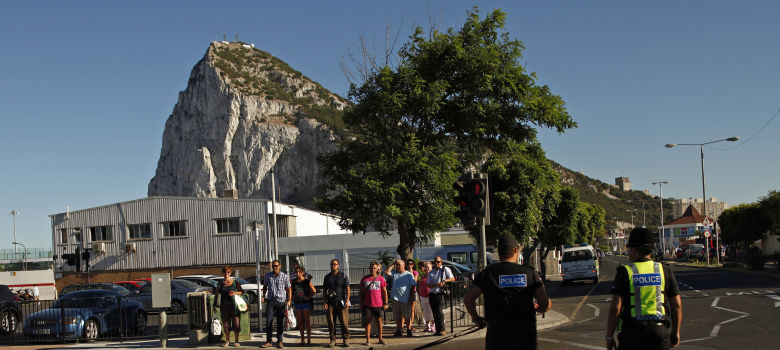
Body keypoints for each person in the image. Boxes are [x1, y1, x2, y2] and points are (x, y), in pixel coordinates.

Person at [465, 235, 551, 349]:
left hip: (497, 337)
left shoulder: (487, 274)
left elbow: (468, 299)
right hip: (524, 337)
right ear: (516, 250)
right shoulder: (529, 273)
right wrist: (537, 308)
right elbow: (545, 303)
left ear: (499, 252)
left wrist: (477, 319)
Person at [606, 227, 683, 350]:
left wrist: (609, 336)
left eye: (629, 248)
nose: (629, 251)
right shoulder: (664, 270)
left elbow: (616, 307)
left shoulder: (626, 272)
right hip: (659, 334)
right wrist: (675, 332)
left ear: (635, 249)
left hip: (632, 335)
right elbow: (676, 305)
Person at [261, 260, 291, 349]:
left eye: (276, 266)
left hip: (281, 302)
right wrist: (263, 296)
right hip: (271, 301)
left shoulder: (284, 276)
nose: (275, 267)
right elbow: (265, 286)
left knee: (279, 322)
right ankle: (269, 341)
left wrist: (289, 300)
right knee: (268, 321)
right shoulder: (267, 276)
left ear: (280, 266)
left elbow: (289, 289)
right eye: (273, 266)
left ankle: (280, 341)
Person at [385, 258, 417, 337]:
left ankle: (409, 330)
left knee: (407, 316)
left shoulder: (408, 274)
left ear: (404, 265)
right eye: (397, 265)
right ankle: (399, 330)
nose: (398, 266)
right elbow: (386, 271)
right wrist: (393, 263)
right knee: (397, 317)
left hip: (405, 299)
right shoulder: (394, 273)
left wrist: (411, 297)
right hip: (395, 299)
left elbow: (413, 286)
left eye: (399, 265)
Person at [360, 262, 388, 346]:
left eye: (374, 268)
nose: (372, 269)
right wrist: (361, 303)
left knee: (379, 322)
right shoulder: (364, 279)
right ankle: (368, 340)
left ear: (377, 269)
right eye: (371, 268)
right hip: (367, 305)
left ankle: (380, 339)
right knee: (368, 322)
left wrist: (385, 303)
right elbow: (361, 293)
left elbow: (384, 292)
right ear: (369, 268)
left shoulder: (381, 279)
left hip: (378, 304)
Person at [323, 258, 350, 347]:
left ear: (338, 265)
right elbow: (324, 290)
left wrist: (347, 300)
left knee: (344, 322)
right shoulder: (327, 277)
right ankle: (332, 340)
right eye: (331, 264)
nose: (333, 265)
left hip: (341, 302)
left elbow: (348, 288)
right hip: (330, 303)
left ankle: (345, 339)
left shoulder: (343, 275)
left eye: (335, 264)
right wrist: (325, 302)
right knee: (331, 322)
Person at [216, 266, 244, 347]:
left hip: (234, 306)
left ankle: (236, 341)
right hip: (224, 306)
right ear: (223, 273)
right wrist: (215, 305)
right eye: (225, 272)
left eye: (228, 272)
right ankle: (227, 341)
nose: (226, 274)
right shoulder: (220, 283)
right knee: (226, 325)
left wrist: (235, 293)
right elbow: (217, 294)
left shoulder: (235, 282)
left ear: (230, 273)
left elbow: (242, 292)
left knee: (236, 323)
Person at [427, 256, 454, 336]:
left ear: (441, 262)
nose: (436, 263)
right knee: (434, 313)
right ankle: (438, 330)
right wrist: (436, 284)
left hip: (440, 293)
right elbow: (428, 284)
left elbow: (452, 278)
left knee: (439, 312)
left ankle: (442, 329)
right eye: (435, 262)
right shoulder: (431, 272)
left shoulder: (445, 269)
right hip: (432, 294)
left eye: (438, 262)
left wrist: (445, 281)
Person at [292, 265, 316, 346]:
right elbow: (290, 291)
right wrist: (292, 297)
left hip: (306, 303)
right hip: (297, 303)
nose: (297, 273)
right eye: (296, 272)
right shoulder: (294, 282)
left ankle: (309, 339)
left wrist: (308, 297)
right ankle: (302, 339)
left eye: (298, 272)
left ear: (302, 272)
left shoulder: (307, 281)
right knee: (300, 322)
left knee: (307, 322)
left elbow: (314, 290)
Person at [418, 261, 435, 332]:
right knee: (426, 312)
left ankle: (433, 325)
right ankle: (427, 325)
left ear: (431, 267)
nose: (427, 268)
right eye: (426, 267)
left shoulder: (433, 275)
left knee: (432, 312)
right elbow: (421, 285)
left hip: (431, 295)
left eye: (428, 267)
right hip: (423, 296)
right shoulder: (422, 275)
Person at [405, 259, 420, 329]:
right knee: (405, 308)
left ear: (413, 265)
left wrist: (411, 272)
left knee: (412, 309)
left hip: (413, 291)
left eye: (411, 264)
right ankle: (405, 324)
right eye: (408, 264)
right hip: (405, 292)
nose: (409, 265)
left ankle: (410, 324)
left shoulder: (415, 272)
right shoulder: (404, 272)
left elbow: (415, 281)